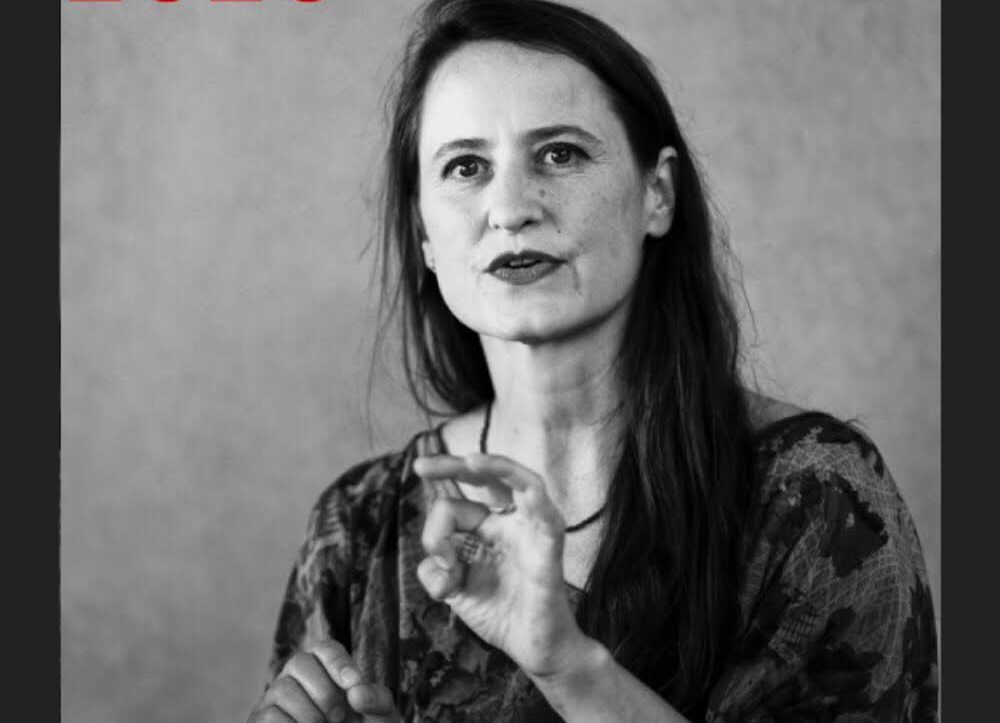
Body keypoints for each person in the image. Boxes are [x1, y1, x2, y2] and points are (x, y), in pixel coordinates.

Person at [246, 0, 939, 721]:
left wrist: (570, 666)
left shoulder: (819, 501)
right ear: (424, 233)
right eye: (466, 167)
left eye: (560, 154)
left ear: (657, 194)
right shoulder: (358, 529)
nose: (510, 208)